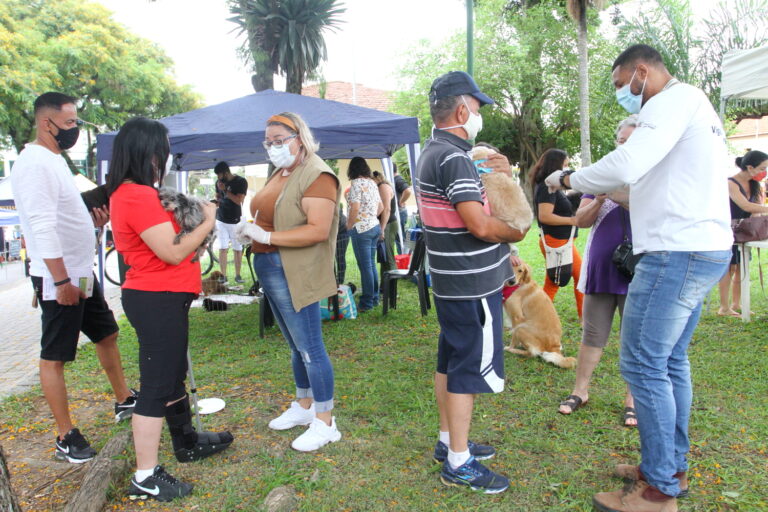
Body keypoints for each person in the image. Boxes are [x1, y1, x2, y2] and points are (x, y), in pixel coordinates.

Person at [546, 44, 732, 511]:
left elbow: (625, 164)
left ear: (641, 72)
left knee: (644, 365)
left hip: (676, 251)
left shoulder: (668, 102)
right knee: (669, 362)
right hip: (699, 246)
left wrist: (568, 179)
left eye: (619, 85)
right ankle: (669, 466)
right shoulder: (695, 104)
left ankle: (657, 491)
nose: (621, 96)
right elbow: (640, 179)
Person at [108, 117, 234, 502]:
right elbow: (174, 250)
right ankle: (145, 476)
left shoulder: (136, 193)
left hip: (163, 296)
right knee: (157, 386)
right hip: (155, 297)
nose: (165, 157)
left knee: (172, 373)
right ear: (149, 152)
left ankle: (186, 440)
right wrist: (209, 219)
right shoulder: (136, 196)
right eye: (163, 149)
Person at [414, 71, 527, 494]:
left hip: (449, 279)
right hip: (470, 283)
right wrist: (515, 232)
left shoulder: (432, 151)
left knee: (450, 359)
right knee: (466, 369)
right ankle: (459, 461)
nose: (478, 116)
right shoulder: (454, 156)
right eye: (476, 109)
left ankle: (449, 443)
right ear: (462, 110)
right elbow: (480, 225)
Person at [11, 92, 137, 464]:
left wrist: (93, 225)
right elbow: (43, 227)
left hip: (81, 272)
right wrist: (61, 281)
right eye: (69, 124)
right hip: (59, 279)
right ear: (45, 123)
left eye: (76, 124)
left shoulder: (56, 160)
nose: (74, 131)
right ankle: (65, 434)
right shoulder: (33, 163)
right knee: (55, 355)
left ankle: (124, 398)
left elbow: (66, 217)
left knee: (107, 333)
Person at [239, 112, 342, 451]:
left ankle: (325, 422)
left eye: (280, 140)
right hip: (272, 265)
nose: (273, 147)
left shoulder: (317, 174)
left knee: (310, 347)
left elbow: (317, 229)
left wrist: (267, 235)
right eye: (268, 142)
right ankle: (303, 406)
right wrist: (250, 232)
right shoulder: (283, 172)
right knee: (296, 347)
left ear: (300, 137)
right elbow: (269, 213)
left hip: (294, 270)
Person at [557, 115, 638, 427]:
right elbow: (581, 219)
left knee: (634, 339)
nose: (625, 146)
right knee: (592, 332)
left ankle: (632, 400)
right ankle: (580, 391)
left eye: (631, 141)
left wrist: (614, 192)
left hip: (638, 269)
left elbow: (647, 206)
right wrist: (599, 196)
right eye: (621, 141)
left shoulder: (652, 174)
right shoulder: (604, 175)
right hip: (602, 267)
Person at [531, 148, 584, 318]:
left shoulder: (553, 186)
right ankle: (537, 317)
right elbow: (545, 216)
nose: (566, 170)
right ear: (555, 165)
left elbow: (561, 207)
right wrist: (572, 221)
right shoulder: (547, 187)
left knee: (557, 280)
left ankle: (536, 316)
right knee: (575, 278)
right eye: (565, 165)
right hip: (556, 241)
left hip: (561, 240)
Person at [717, 150, 768, 317]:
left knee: (742, 267)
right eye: (762, 168)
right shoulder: (730, 183)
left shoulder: (755, 185)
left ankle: (737, 303)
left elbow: (756, 209)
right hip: (728, 231)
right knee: (729, 268)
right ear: (750, 167)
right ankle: (724, 307)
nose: (764, 172)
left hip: (746, 231)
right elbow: (745, 206)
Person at [346, 157, 384, 312]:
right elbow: (381, 207)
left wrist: (349, 225)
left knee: (365, 267)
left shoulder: (356, 184)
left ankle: (367, 302)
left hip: (361, 229)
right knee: (371, 265)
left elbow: (354, 208)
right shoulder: (372, 183)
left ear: (352, 170)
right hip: (374, 226)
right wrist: (370, 217)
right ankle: (374, 298)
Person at [213, 161, 248, 283]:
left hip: (235, 220)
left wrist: (226, 191)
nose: (218, 178)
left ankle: (238, 275)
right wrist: (216, 201)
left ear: (226, 172)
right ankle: (223, 275)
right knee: (222, 248)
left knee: (237, 248)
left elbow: (239, 201)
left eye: (219, 175)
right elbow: (218, 196)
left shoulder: (240, 182)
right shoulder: (218, 183)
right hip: (221, 219)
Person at [372, 170, 397, 286]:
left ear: (376, 178)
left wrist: (382, 229)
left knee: (389, 257)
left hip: (388, 224)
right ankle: (384, 286)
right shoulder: (382, 186)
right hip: (385, 224)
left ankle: (392, 290)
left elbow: (386, 209)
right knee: (384, 257)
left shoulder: (383, 187)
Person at [392, 164, 412, 254]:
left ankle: (404, 259)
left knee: (401, 238)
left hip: (400, 212)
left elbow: (407, 191)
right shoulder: (395, 179)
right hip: (399, 212)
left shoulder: (397, 179)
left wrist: (401, 201)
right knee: (400, 238)